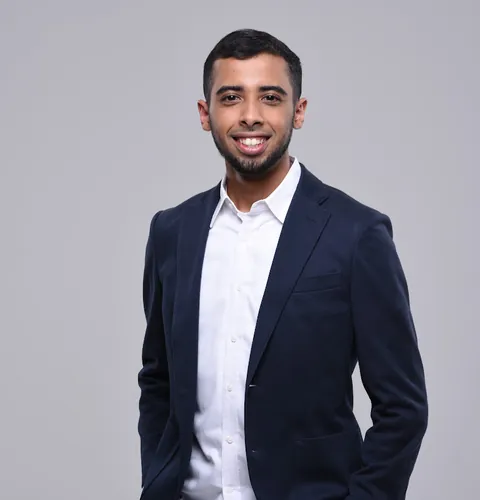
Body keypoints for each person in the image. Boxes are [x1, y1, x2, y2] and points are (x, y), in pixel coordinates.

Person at [137, 28, 428, 500]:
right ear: (205, 114)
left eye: (270, 97)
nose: (251, 115)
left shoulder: (356, 234)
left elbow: (403, 407)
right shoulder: (172, 232)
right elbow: (158, 380)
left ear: (299, 111)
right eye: (231, 97)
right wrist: (157, 477)